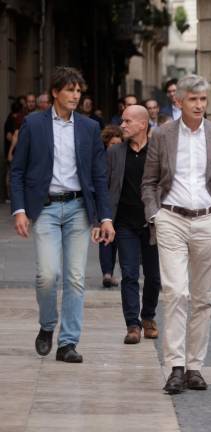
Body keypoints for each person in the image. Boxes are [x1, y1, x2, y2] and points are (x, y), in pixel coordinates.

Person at [142, 74, 211, 394]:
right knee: (176, 292)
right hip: (170, 219)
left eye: (203, 100)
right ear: (179, 101)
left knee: (202, 299)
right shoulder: (162, 135)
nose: (199, 105)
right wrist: (154, 215)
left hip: (208, 221)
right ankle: (175, 366)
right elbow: (149, 181)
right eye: (193, 99)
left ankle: (195, 366)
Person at [11, 66, 115, 363]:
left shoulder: (89, 127)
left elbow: (98, 176)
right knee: (47, 275)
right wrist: (20, 210)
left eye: (79, 91)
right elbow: (17, 171)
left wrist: (104, 217)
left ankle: (68, 343)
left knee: (75, 277)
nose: (75, 95)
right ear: (55, 92)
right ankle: (47, 325)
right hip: (44, 208)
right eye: (70, 90)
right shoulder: (33, 124)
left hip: (79, 209)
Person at [108, 105, 162, 344]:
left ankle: (148, 316)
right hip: (124, 224)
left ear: (142, 124)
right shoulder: (115, 153)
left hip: (153, 224)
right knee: (129, 274)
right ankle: (133, 324)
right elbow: (107, 186)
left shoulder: (158, 152)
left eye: (127, 121)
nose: (122, 125)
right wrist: (104, 218)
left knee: (154, 277)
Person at [99, 125, 124, 288]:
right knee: (107, 239)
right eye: (112, 144)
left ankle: (110, 273)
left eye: (118, 144)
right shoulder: (103, 158)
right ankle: (107, 273)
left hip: (122, 204)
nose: (114, 147)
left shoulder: (124, 156)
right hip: (108, 204)